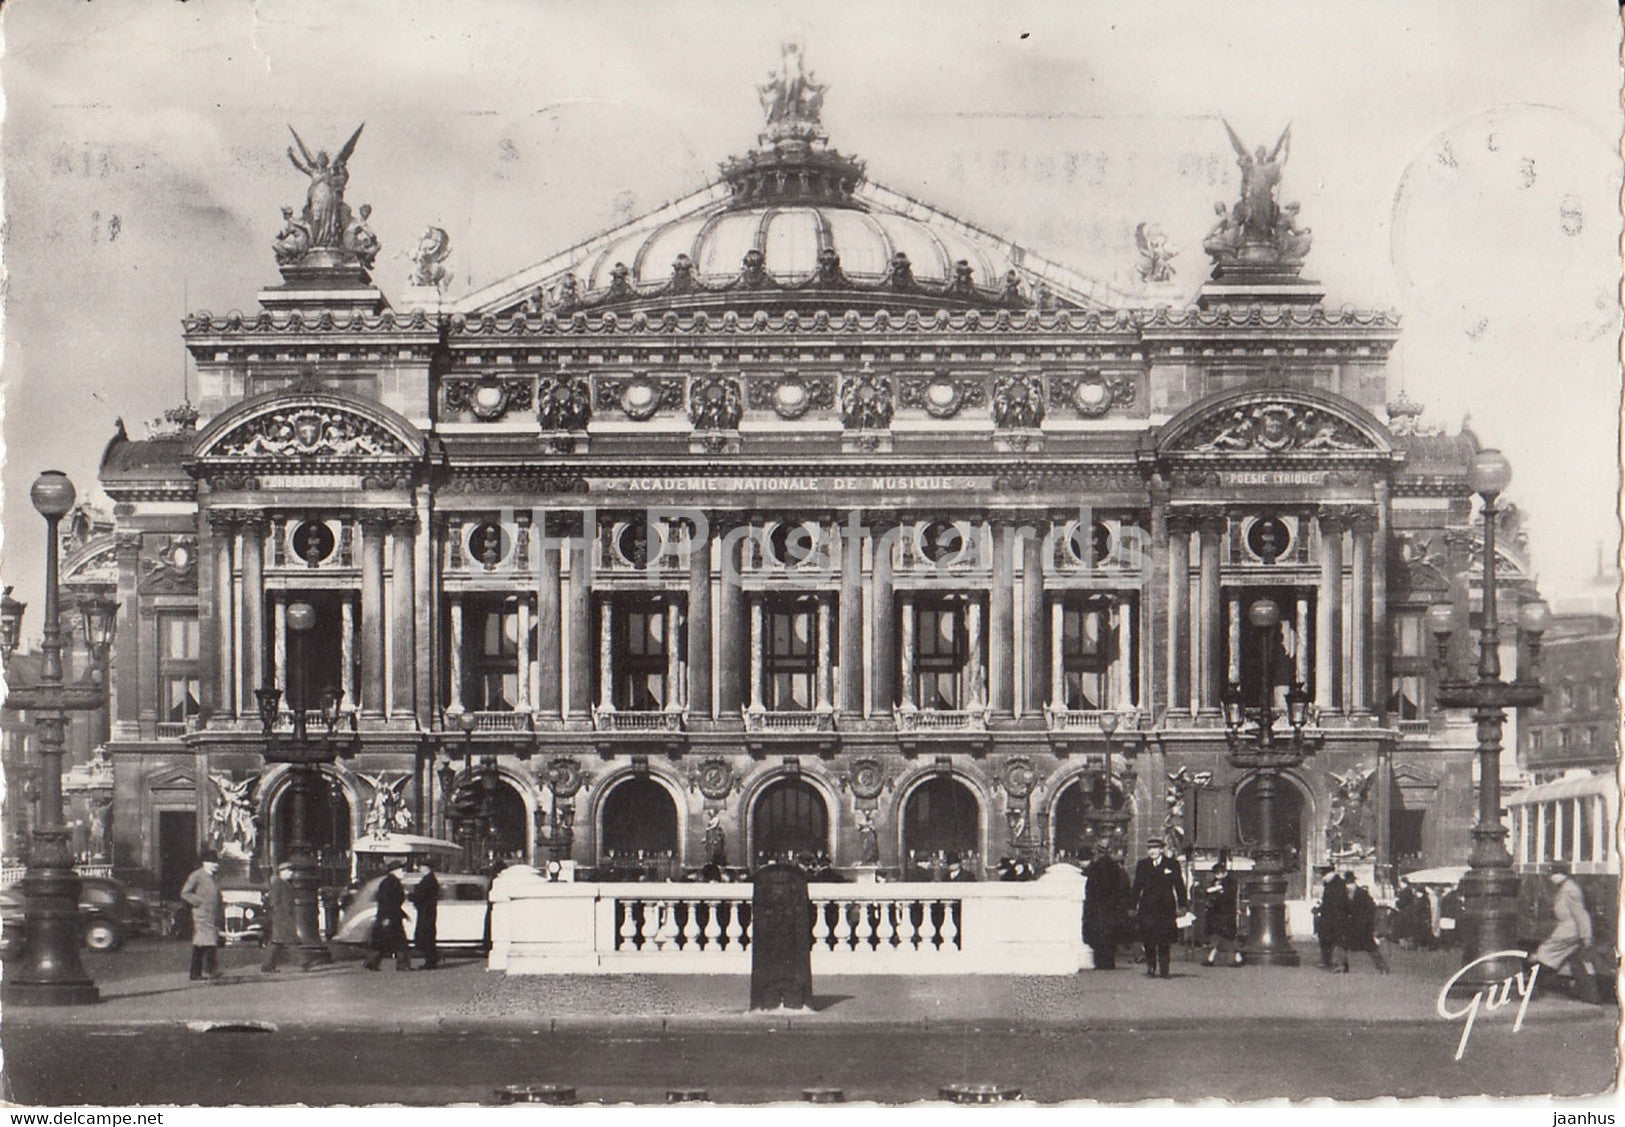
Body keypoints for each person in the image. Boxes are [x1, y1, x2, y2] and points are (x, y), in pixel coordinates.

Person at [1532, 863, 1599, 1003]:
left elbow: (1581, 914)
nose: (1551, 878)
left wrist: (1586, 935)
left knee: (1543, 953)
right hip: (1569, 929)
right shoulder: (1566, 888)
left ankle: (1533, 987)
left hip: (1569, 931)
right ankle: (1590, 996)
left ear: (1560, 875)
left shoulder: (1570, 890)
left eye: (1553, 875)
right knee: (1579, 961)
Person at [1131, 837, 1187, 979]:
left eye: (1155, 848)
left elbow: (1180, 886)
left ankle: (1164, 969)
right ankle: (1151, 967)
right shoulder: (1142, 865)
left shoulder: (1172, 864)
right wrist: (1132, 906)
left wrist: (1183, 906)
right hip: (1147, 907)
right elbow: (1137, 887)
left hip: (1165, 908)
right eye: (1150, 848)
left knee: (1164, 940)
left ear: (1162, 849)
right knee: (1148, 939)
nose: (1152, 851)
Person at [1083, 844, 1130, 970]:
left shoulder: (1094, 868)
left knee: (1098, 935)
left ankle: (1100, 962)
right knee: (1110, 936)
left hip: (1098, 906)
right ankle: (1109, 961)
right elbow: (1123, 887)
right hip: (1111, 906)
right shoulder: (1116, 868)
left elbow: (1089, 889)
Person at [180, 849, 224, 981]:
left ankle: (199, 972)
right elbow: (185, 893)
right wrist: (198, 902)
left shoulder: (214, 877)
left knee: (203, 943)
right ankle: (207, 971)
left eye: (216, 862)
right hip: (201, 915)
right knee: (208, 942)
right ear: (204, 863)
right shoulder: (197, 875)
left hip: (212, 915)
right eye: (211, 862)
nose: (215, 865)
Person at [363, 861, 413, 972]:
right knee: (400, 943)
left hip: (389, 916)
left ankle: (372, 963)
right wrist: (389, 917)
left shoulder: (389, 882)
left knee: (382, 942)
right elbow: (388, 902)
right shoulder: (391, 883)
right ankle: (402, 965)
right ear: (394, 871)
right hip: (390, 917)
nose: (404, 873)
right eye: (401, 870)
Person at [260, 861, 302, 973]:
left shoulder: (285, 883)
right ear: (281, 872)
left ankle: (267, 967)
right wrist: (280, 914)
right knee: (291, 939)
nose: (291, 873)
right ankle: (303, 962)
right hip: (281, 917)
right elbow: (274, 901)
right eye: (288, 871)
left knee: (277, 942)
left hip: (284, 916)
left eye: (291, 870)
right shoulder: (277, 883)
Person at [1201, 855, 1243, 967]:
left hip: (1226, 913)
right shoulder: (1217, 882)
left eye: (1219, 873)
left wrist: (1216, 892)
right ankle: (1236, 958)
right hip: (1218, 913)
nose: (1218, 875)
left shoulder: (1229, 882)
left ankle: (1213, 958)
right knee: (1223, 936)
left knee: (1224, 936)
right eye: (1216, 873)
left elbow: (1227, 896)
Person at [1343, 871, 1389, 974]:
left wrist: (1366, 920)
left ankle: (1383, 967)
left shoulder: (1362, 893)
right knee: (1343, 945)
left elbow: (1371, 908)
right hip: (1350, 924)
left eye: (1350, 883)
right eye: (1347, 883)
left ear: (1354, 883)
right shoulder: (1344, 894)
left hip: (1363, 925)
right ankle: (1343, 966)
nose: (1348, 886)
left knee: (1371, 947)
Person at [1315, 867, 1350, 972]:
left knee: (1338, 940)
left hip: (1336, 918)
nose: (1322, 878)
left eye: (1323, 875)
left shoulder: (1337, 884)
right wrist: (1319, 909)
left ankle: (1341, 964)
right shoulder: (1331, 884)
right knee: (1326, 939)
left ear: (1329, 874)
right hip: (1329, 917)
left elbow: (1337, 903)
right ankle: (1327, 960)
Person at [408, 862, 440, 970]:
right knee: (428, 935)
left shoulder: (428, 881)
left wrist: (410, 895)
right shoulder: (431, 879)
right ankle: (431, 960)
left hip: (426, 912)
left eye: (421, 867)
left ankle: (430, 961)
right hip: (428, 911)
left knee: (426, 936)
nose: (419, 869)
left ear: (427, 868)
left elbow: (420, 895)